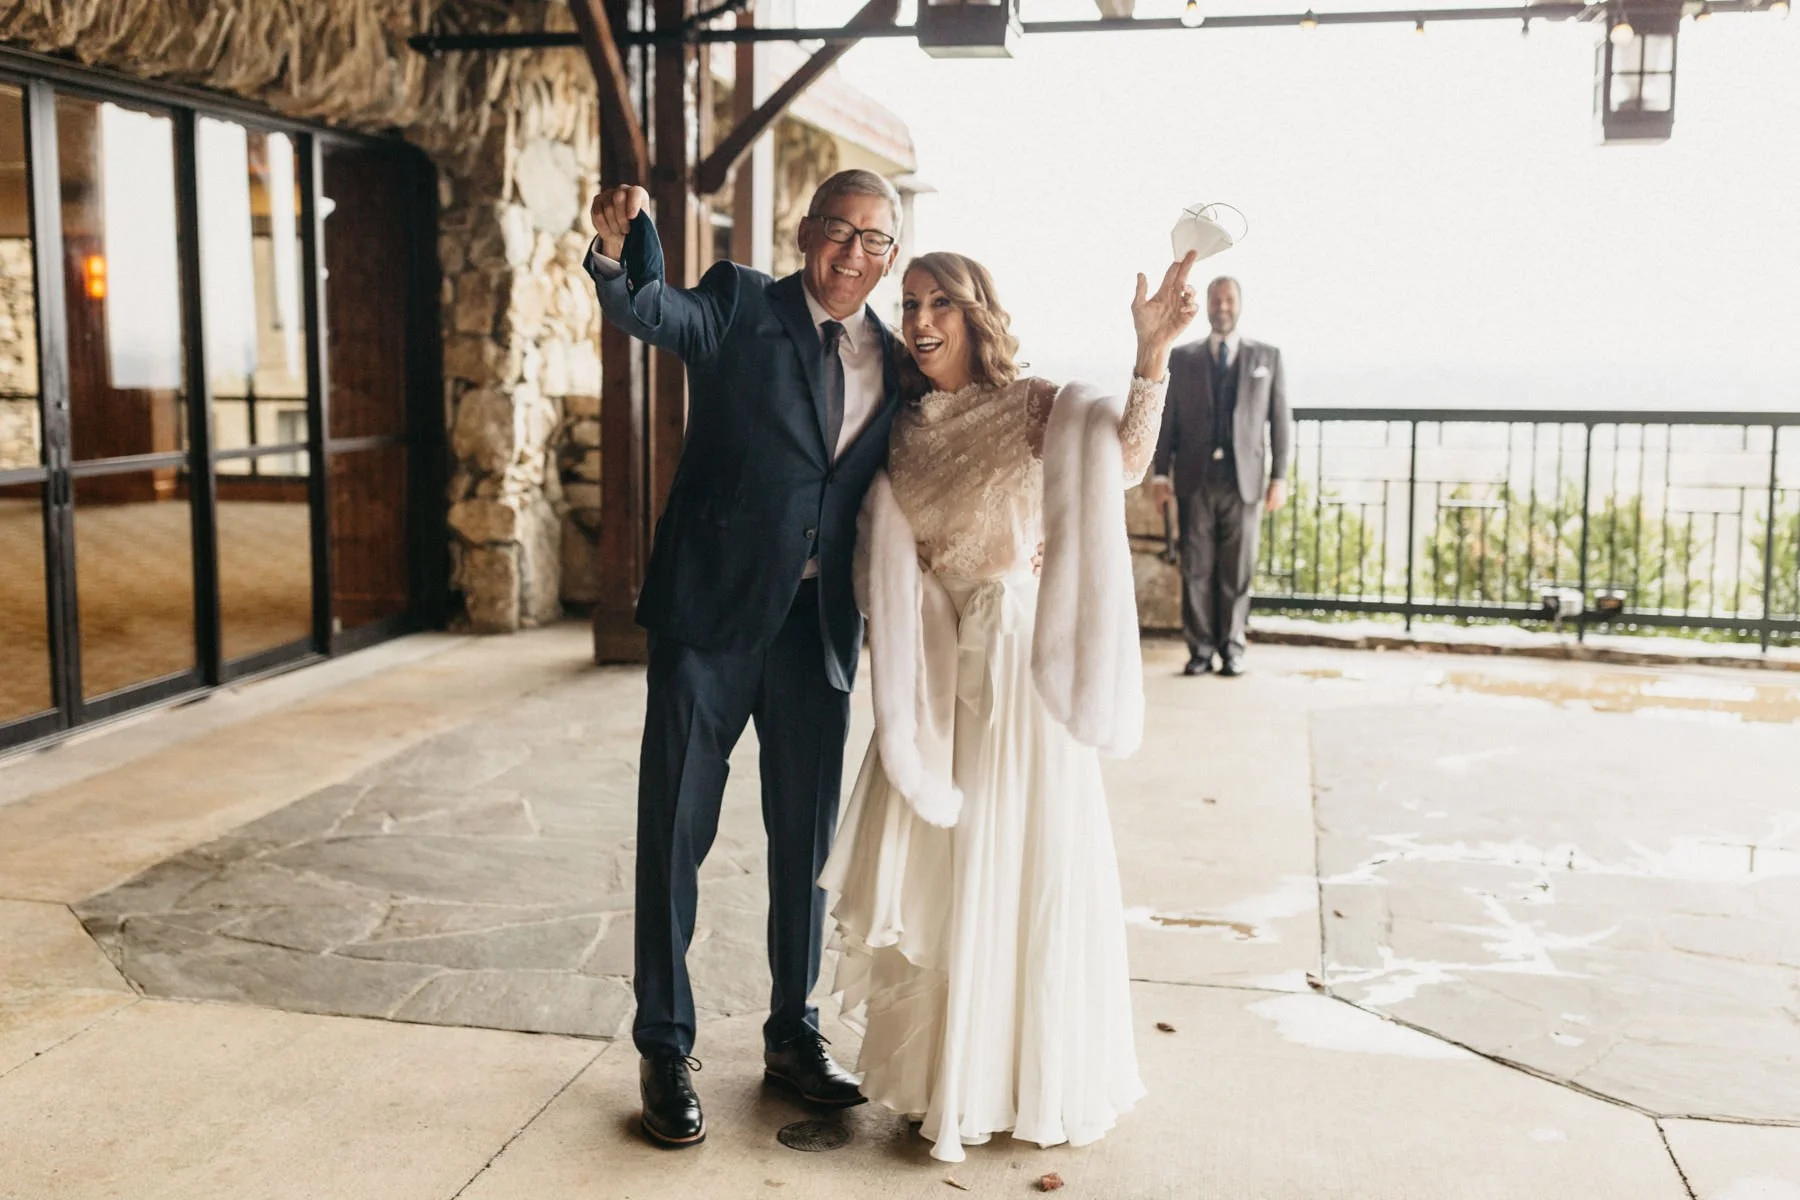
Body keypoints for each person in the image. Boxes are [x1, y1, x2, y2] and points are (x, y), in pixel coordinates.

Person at [819, 248, 1200, 1163]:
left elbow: (1123, 459)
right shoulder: (898, 427)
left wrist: (1151, 355)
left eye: (940, 304)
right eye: (910, 304)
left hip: (1013, 670)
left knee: (1019, 861)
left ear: (975, 312)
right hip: (932, 671)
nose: (920, 321)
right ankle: (948, 1077)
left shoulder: (1034, 405)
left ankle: (1023, 1078)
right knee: (944, 879)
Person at [584, 169, 905, 1148]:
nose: (853, 252)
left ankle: (792, 1033)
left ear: (892, 254)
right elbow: (651, 310)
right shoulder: (738, 303)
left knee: (806, 846)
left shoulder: (896, 362)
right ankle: (663, 1044)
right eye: (839, 230)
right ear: (806, 232)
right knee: (674, 831)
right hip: (708, 620)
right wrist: (621, 250)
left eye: (874, 238)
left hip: (816, 632)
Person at [1149, 276, 1291, 677]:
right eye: (1215, 300)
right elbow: (1167, 420)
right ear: (1207, 305)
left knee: (1237, 570)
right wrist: (1160, 476)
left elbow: (1280, 420)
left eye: (1228, 300)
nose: (1222, 306)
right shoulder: (1182, 358)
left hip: (1244, 481)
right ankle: (1199, 651)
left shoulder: (1268, 357)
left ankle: (1232, 648)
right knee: (1195, 568)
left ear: (1239, 304)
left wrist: (1279, 477)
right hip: (1194, 479)